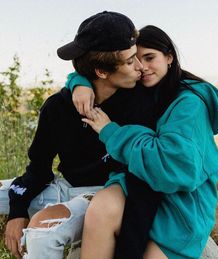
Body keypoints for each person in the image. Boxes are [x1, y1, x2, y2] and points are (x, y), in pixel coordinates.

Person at [0, 11, 159, 259]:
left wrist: (79, 81)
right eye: (130, 62)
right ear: (101, 72)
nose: (140, 67)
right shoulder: (58, 107)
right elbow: (39, 168)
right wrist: (16, 210)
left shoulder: (144, 102)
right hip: (63, 186)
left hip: (105, 194)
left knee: (42, 234)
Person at [67, 25, 218, 258]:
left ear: (169, 57)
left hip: (181, 204)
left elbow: (174, 167)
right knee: (102, 208)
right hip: (142, 184)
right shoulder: (143, 89)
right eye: (135, 58)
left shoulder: (189, 105)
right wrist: (79, 82)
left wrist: (112, 133)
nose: (142, 67)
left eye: (150, 57)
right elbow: (105, 69)